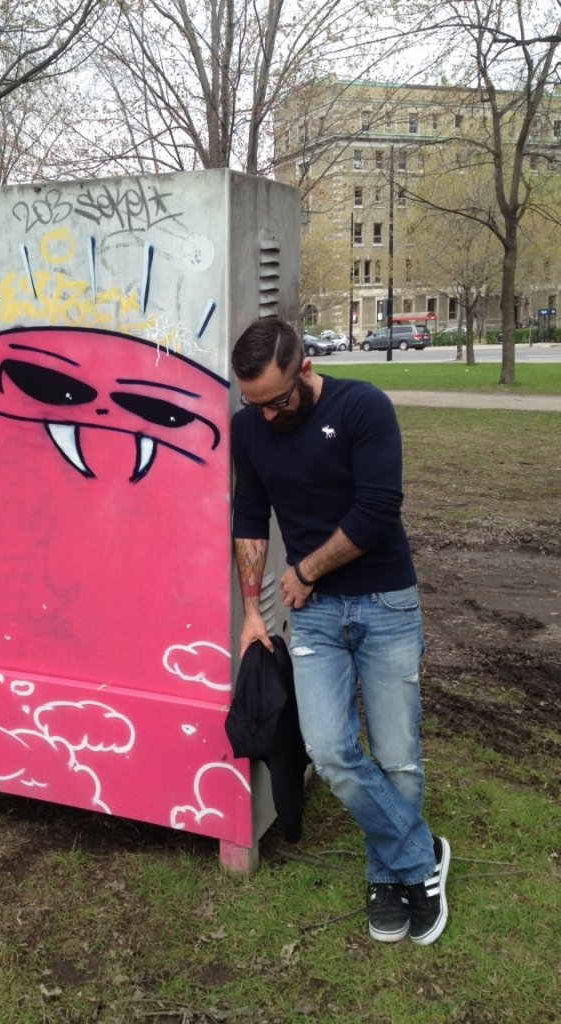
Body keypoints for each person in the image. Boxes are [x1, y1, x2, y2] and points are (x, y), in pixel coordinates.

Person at [230, 316, 450, 946]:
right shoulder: (249, 427)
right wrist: (251, 611)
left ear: (304, 369)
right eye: (253, 403)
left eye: (276, 402)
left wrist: (303, 571)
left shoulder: (363, 408)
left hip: (386, 604)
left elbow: (377, 510)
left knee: (397, 755)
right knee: (328, 750)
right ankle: (420, 858)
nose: (266, 416)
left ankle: (387, 875)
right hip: (316, 617)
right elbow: (250, 515)